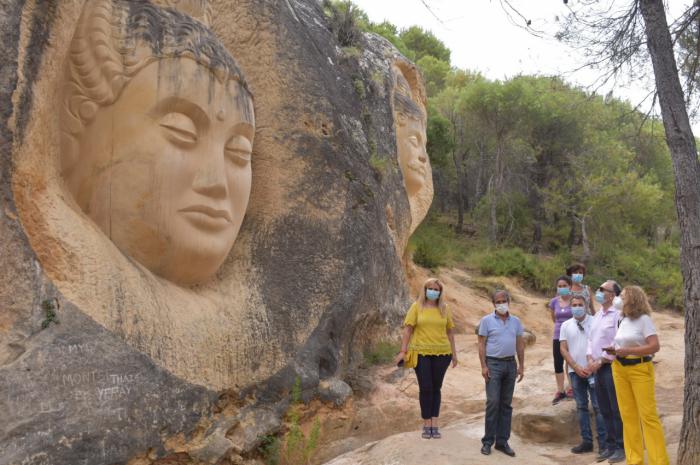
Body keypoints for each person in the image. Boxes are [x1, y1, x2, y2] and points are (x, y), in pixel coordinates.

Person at [609, 286, 669, 465]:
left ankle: (658, 461)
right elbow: (621, 343)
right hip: (619, 368)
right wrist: (616, 350)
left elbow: (654, 346)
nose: (618, 298)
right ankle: (634, 460)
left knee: (648, 416)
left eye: (622, 295)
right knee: (627, 416)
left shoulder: (644, 320)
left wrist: (628, 350)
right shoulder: (622, 319)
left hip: (639, 368)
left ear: (632, 298)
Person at [394, 278, 458, 439]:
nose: (433, 291)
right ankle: (426, 423)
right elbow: (408, 330)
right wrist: (403, 351)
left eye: (437, 289)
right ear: (424, 289)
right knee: (426, 387)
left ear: (441, 292)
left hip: (443, 354)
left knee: (436, 388)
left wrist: (454, 354)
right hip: (420, 353)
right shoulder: (416, 307)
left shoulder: (445, 309)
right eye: (430, 288)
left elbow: (450, 332)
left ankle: (434, 424)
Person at [478, 290, 525, 457]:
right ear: (493, 304)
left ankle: (502, 441)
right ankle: (487, 441)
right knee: (493, 402)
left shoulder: (516, 322)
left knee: (506, 404)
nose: (501, 304)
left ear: (509, 301)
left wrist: (521, 365)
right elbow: (481, 344)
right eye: (498, 301)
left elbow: (520, 344)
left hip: (510, 364)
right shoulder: (486, 321)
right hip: (494, 364)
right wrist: (484, 366)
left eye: (504, 300)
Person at [559, 295, 606, 455]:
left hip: (595, 370)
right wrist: (576, 366)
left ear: (586, 306)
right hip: (575, 371)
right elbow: (563, 348)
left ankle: (604, 443)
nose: (577, 307)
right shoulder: (566, 325)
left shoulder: (595, 321)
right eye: (574, 305)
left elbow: (601, 344)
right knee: (581, 407)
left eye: (580, 304)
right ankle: (586, 441)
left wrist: (592, 366)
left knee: (599, 407)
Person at [586, 280, 625, 463]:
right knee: (604, 409)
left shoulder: (618, 315)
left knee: (615, 408)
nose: (598, 292)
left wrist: (602, 359)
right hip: (596, 368)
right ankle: (609, 447)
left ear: (613, 295)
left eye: (602, 290)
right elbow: (590, 339)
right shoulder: (598, 315)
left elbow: (618, 342)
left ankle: (620, 446)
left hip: (611, 367)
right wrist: (589, 357)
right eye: (599, 289)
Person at [549, 275, 574, 404]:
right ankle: (560, 390)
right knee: (558, 362)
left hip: (572, 335)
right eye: (560, 286)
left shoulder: (575, 300)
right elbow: (554, 318)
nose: (562, 288)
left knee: (570, 361)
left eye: (565, 286)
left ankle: (571, 387)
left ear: (570, 286)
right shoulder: (553, 302)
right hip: (558, 335)